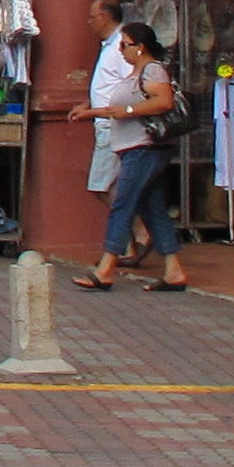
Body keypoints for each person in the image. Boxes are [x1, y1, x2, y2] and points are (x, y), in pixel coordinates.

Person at [70, 19, 192, 292]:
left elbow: (163, 102)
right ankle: (174, 270)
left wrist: (128, 112)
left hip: (145, 147)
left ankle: (106, 267)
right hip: (134, 148)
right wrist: (90, 112)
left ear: (140, 47)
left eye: (125, 45)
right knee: (152, 208)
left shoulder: (152, 70)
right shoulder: (136, 73)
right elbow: (119, 109)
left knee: (123, 203)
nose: (122, 51)